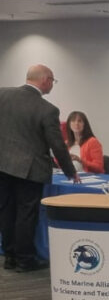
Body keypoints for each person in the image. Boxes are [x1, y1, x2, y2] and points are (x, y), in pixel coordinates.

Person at [0, 64, 79, 272]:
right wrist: (71, 171)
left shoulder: (3, 95)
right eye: (52, 80)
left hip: (2, 166)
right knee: (26, 215)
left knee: (7, 212)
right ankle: (25, 260)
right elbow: (58, 145)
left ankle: (9, 256)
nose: (52, 84)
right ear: (45, 80)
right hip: (30, 170)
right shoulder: (47, 110)